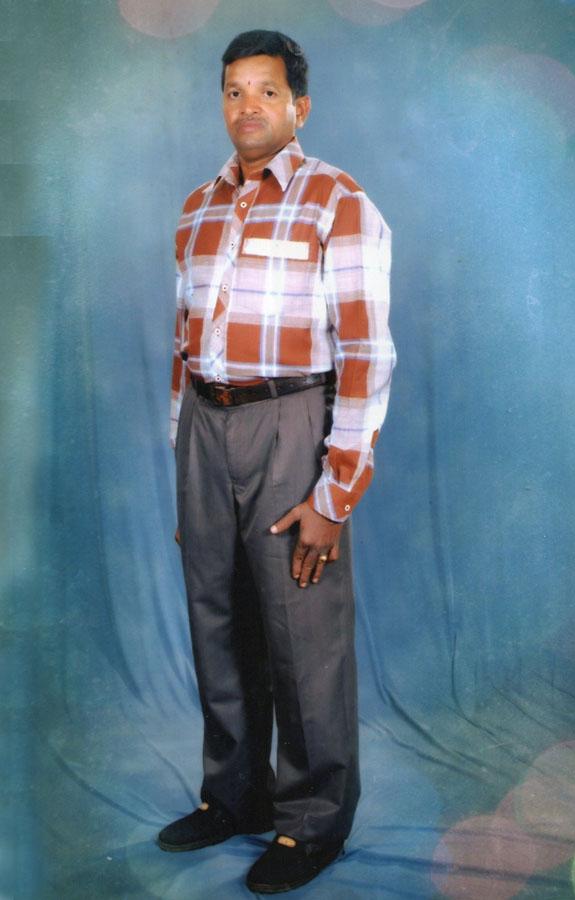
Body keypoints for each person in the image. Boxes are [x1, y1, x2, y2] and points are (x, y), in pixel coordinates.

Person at [158, 29, 396, 894]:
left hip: (292, 421)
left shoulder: (338, 201)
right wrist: (185, 460)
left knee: (301, 632)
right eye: (233, 91)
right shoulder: (197, 208)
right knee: (215, 618)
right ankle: (235, 794)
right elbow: (183, 345)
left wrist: (335, 494)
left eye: (265, 91)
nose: (247, 106)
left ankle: (312, 821)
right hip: (206, 424)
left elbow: (366, 353)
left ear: (300, 106)